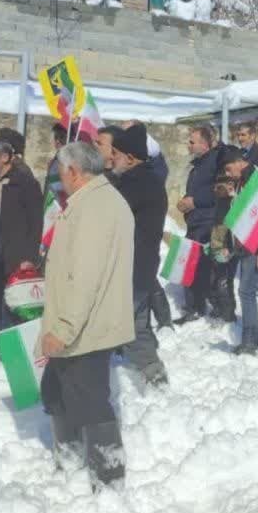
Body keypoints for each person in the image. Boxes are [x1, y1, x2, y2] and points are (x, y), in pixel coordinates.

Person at [38, 141, 133, 489]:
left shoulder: (96, 206)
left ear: (74, 172)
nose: (59, 181)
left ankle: (109, 479)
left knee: (90, 400)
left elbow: (86, 275)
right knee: (57, 392)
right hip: (83, 321)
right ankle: (72, 458)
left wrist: (63, 328)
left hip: (85, 326)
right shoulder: (92, 200)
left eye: (61, 174)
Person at [108, 124, 169, 385]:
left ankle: (151, 374)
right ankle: (154, 375)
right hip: (138, 268)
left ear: (131, 158)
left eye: (116, 154)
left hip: (131, 268)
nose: (112, 158)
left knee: (118, 323)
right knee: (137, 325)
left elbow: (110, 217)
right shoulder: (141, 180)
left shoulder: (137, 184)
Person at [216, 147, 258, 355]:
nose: (228, 174)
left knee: (246, 291)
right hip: (245, 245)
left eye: (229, 169)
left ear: (239, 162)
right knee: (246, 292)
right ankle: (253, 339)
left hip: (257, 246)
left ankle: (250, 341)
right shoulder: (241, 181)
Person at [0, 137, 43, 280]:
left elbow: (36, 222)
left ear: (4, 157)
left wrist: (29, 257)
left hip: (15, 257)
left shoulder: (26, 184)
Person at [175, 125, 220, 324]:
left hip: (207, 223)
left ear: (205, 143)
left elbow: (218, 190)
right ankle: (193, 306)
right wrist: (185, 201)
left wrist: (194, 201)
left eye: (192, 142)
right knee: (187, 265)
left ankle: (215, 307)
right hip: (195, 221)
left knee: (204, 269)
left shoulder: (216, 162)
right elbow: (197, 191)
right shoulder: (199, 164)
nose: (189, 145)